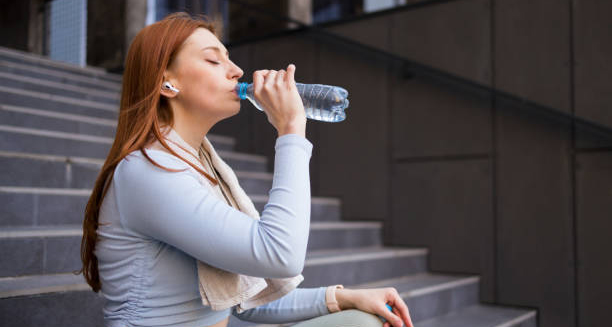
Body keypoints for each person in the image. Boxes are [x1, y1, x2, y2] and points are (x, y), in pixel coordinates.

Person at [78, 12, 414, 327]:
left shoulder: (200, 164)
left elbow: (247, 297)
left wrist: (344, 297)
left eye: (229, 57)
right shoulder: (147, 171)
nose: (236, 70)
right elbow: (280, 255)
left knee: (363, 318)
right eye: (213, 60)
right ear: (167, 84)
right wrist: (291, 130)